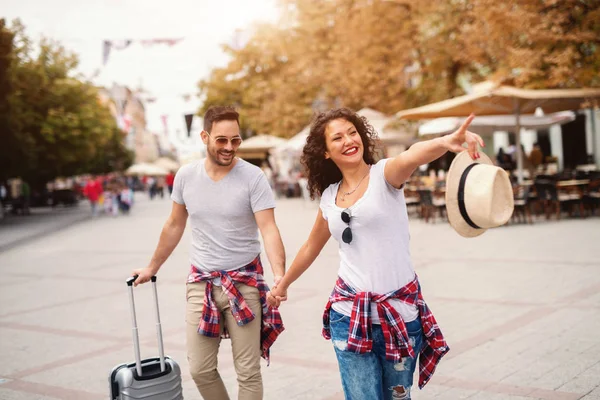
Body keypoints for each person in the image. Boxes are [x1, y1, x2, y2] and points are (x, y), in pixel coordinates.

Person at [268, 108, 484, 400]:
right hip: (349, 314)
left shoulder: (384, 174)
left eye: (352, 132)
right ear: (326, 152)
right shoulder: (330, 197)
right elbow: (310, 246)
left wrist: (445, 142)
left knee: (398, 398)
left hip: (399, 315)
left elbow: (412, 155)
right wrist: (283, 284)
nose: (348, 141)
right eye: (338, 138)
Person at [132, 105, 286, 400]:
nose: (229, 147)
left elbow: (269, 229)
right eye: (221, 140)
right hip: (201, 282)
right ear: (205, 136)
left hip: (244, 282)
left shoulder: (253, 177)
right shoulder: (186, 176)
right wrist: (152, 267)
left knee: (248, 371)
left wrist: (279, 274)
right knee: (200, 369)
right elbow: (175, 224)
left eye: (235, 140)